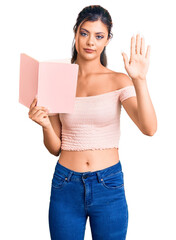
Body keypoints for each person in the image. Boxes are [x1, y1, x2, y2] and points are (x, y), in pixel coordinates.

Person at [28, 5, 157, 240]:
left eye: (99, 36)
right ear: (76, 32)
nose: (90, 42)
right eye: (85, 33)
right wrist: (45, 124)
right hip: (65, 184)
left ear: (107, 40)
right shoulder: (57, 79)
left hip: (108, 185)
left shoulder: (118, 80)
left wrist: (140, 80)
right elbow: (55, 148)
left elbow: (149, 128)